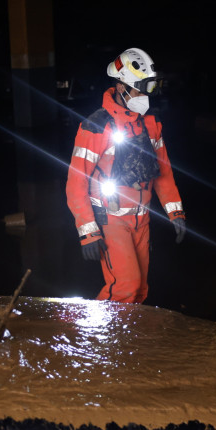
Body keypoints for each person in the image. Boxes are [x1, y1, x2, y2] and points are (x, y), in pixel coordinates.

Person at [65, 47, 186, 303]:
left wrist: (175, 212)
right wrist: (88, 232)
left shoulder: (150, 124)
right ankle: (99, 330)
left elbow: (163, 171)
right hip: (110, 219)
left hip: (141, 218)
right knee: (125, 286)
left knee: (140, 289)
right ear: (121, 87)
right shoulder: (96, 127)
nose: (145, 96)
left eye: (150, 88)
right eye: (141, 89)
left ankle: (127, 330)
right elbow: (76, 182)